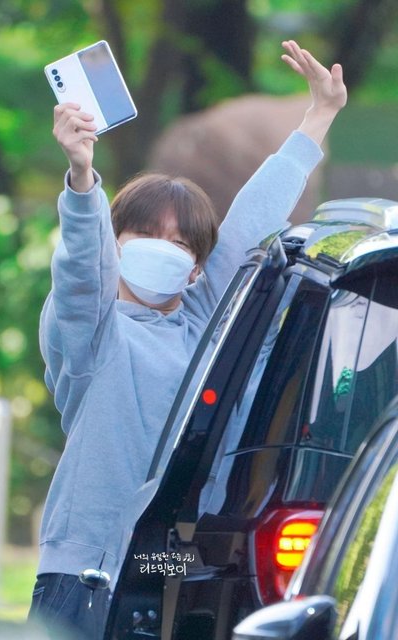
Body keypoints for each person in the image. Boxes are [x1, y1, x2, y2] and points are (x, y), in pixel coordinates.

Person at [28, 40, 347, 639]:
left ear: (197, 267)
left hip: (166, 563)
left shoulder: (205, 325)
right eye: (145, 235)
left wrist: (317, 118)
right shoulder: (93, 335)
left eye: (180, 244)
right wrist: (81, 176)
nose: (163, 250)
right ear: (115, 245)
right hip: (82, 570)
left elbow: (252, 221)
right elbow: (79, 275)